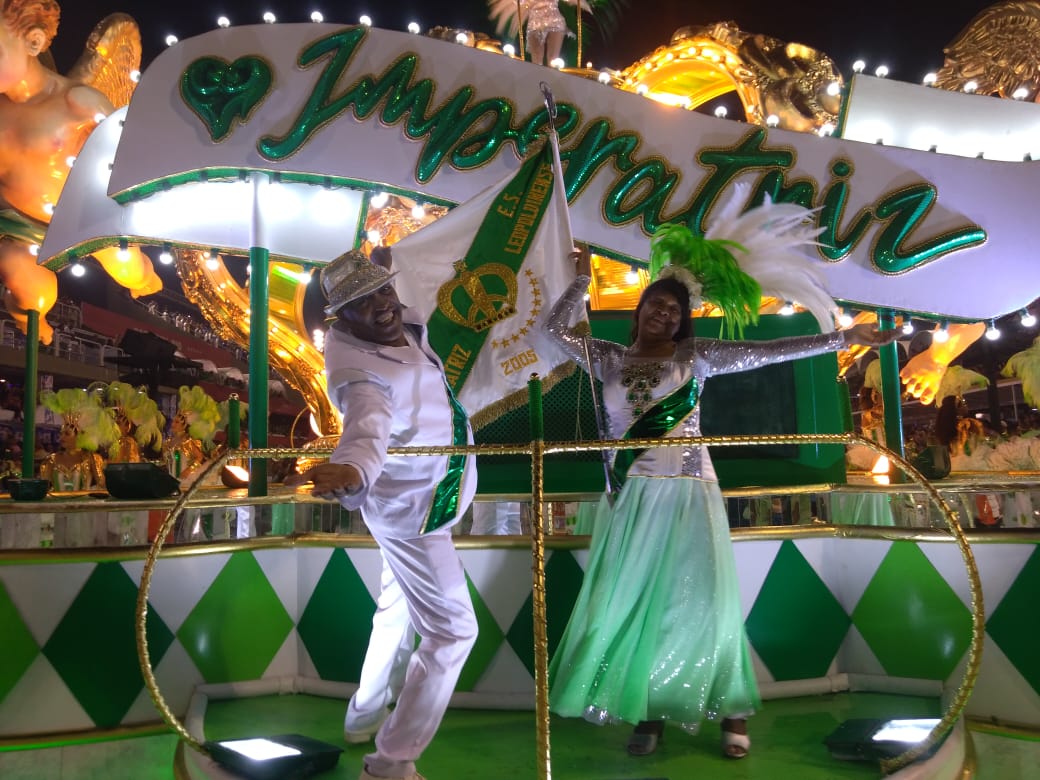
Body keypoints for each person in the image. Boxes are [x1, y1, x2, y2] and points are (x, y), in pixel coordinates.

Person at [544, 218, 895, 760]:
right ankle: (651, 712)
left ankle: (733, 711)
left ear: (684, 321)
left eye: (675, 310)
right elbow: (555, 332)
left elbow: (775, 351)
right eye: (657, 305)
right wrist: (579, 279)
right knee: (640, 608)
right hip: (635, 497)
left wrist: (843, 339)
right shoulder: (608, 358)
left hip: (689, 491)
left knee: (702, 603)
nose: (665, 314)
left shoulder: (695, 357)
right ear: (639, 309)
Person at [289, 247, 478, 780]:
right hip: (412, 514)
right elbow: (367, 430)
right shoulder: (361, 375)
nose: (381, 305)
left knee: (396, 612)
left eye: (383, 290)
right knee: (452, 632)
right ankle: (391, 762)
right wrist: (350, 471)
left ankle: (362, 715)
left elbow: (415, 297)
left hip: (426, 497)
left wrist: (403, 256)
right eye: (362, 301)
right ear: (340, 318)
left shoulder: (405, 326)